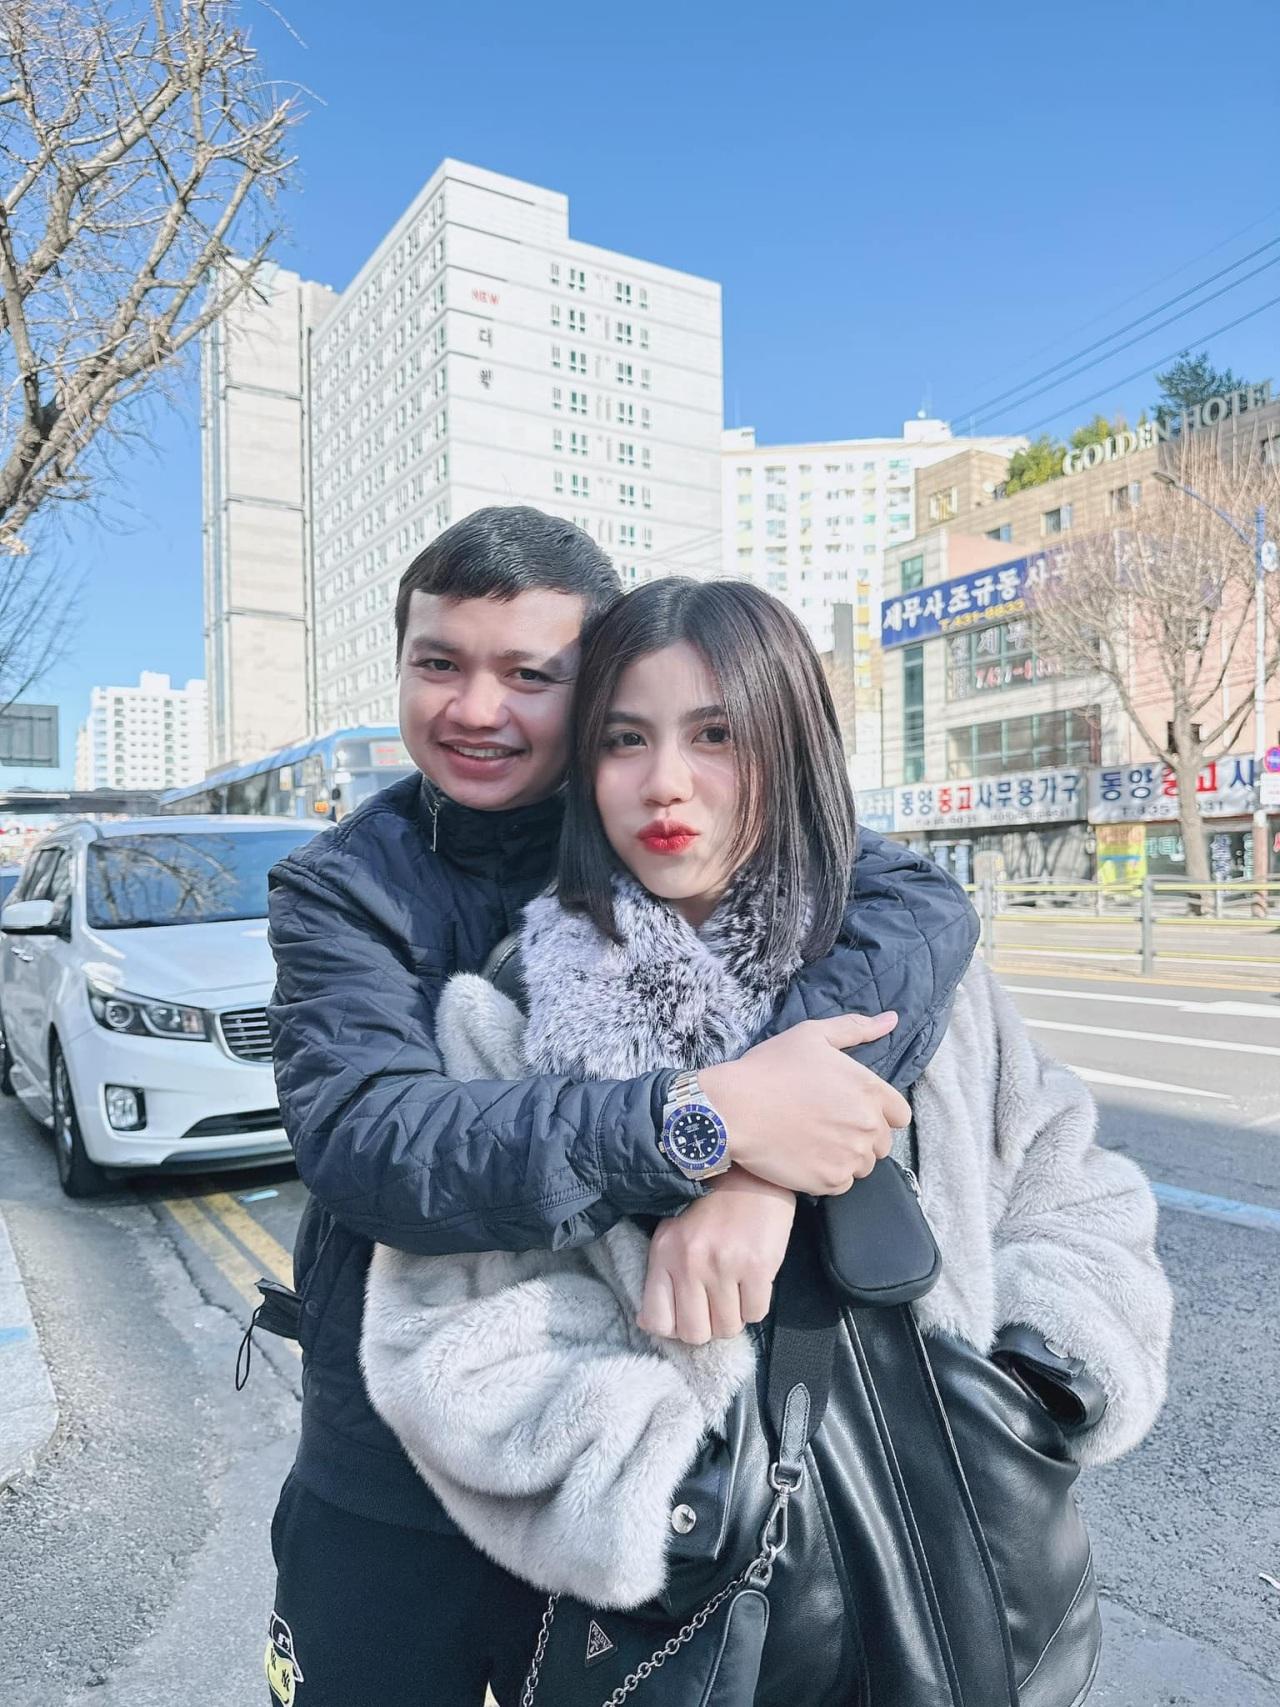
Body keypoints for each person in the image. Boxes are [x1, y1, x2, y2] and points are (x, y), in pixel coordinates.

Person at [360, 576, 1173, 1705]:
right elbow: (447, 1343)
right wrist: (680, 1488)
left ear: (791, 745)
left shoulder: (912, 978)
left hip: (986, 1591)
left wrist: (1036, 1387)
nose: (665, 782)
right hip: (708, 1632)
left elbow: (1069, 1186)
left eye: (716, 735)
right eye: (624, 739)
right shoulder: (510, 1014)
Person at [263, 508, 980, 1706]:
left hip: (634, 1468)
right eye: (439, 662)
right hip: (388, 1471)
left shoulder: (657, 820)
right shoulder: (344, 886)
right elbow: (373, 1143)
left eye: (528, 675)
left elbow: (915, 905)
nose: (476, 709)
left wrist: (761, 1172)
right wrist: (710, 1122)